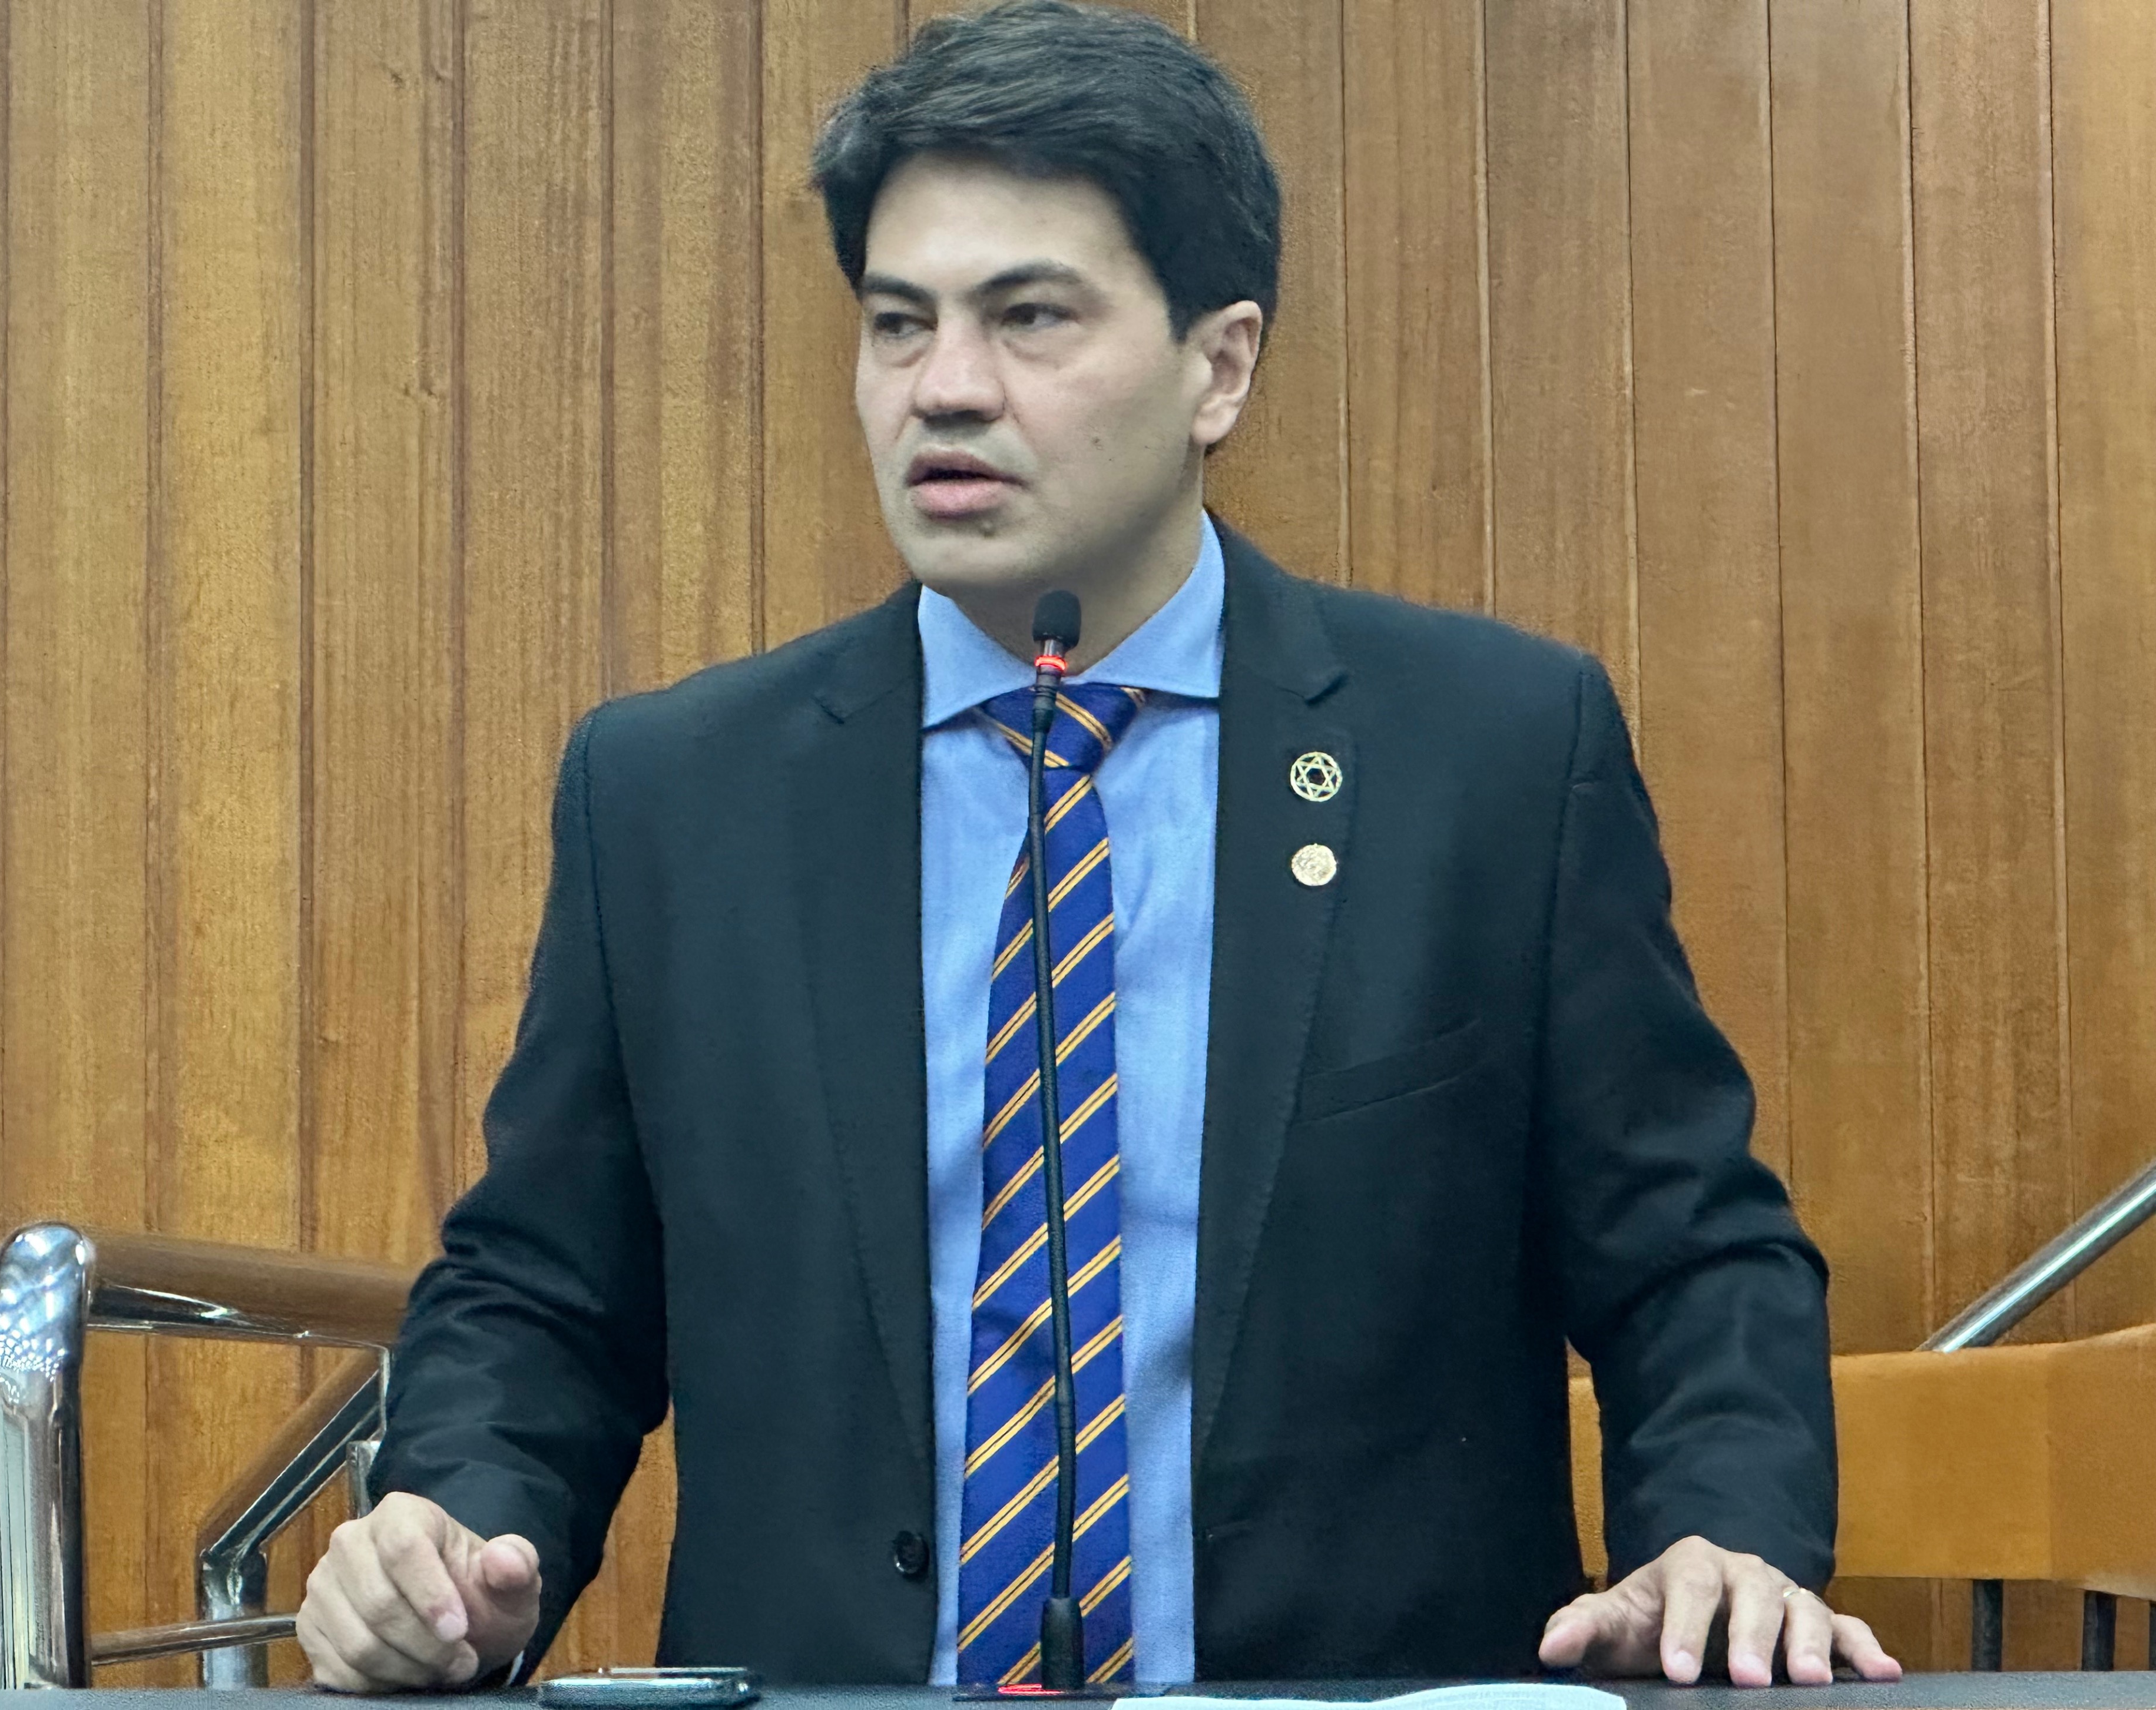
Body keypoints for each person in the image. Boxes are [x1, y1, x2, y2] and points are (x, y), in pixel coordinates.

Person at [294, 1, 1900, 1694]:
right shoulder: (678, 794)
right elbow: (546, 1289)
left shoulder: (1487, 752)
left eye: (1031, 317)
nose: (945, 387)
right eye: (898, 323)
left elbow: (1689, 1250)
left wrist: (1720, 1532)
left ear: (1221, 366)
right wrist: (456, 1530)